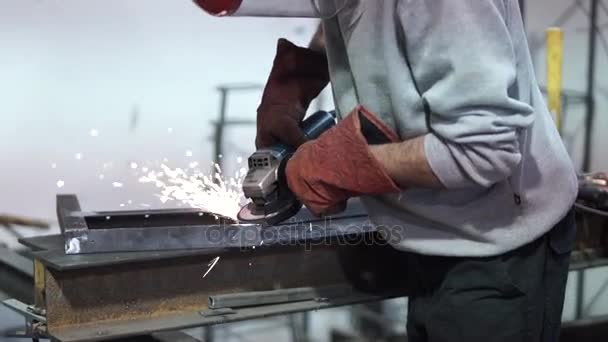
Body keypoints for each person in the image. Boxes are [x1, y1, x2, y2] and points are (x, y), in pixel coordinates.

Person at [194, 1, 578, 341]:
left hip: (499, 250)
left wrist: (343, 168)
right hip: (432, 239)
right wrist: (304, 73)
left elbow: (484, 149)